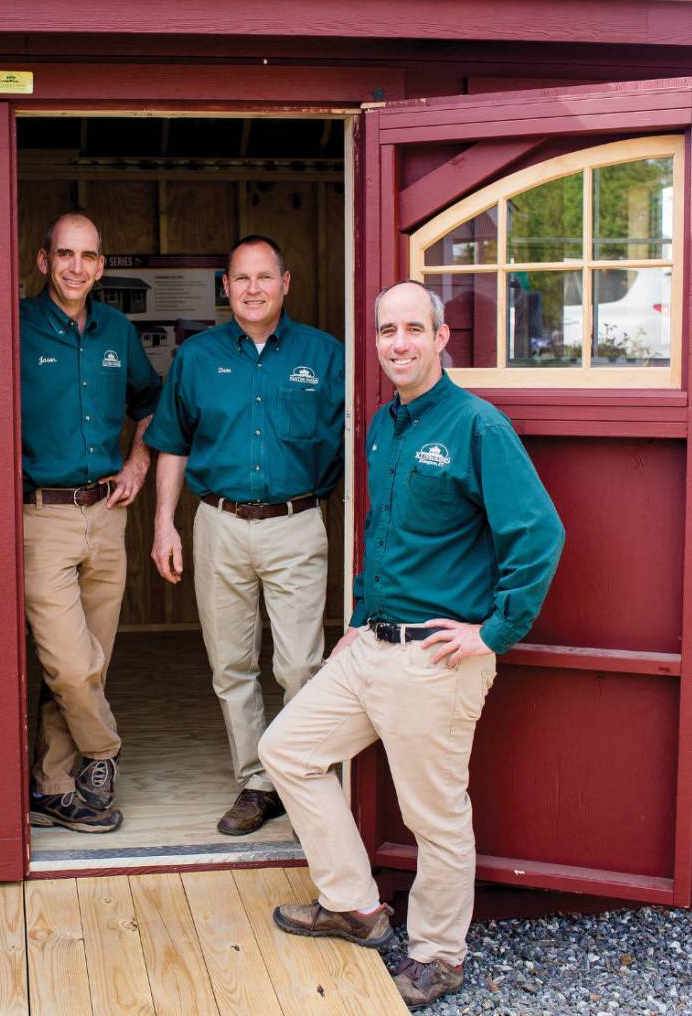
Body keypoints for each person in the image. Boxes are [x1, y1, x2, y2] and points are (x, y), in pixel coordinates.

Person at [258, 280, 565, 1009]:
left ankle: (439, 954)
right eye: (386, 331)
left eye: (413, 329)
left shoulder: (477, 426)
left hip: (436, 657)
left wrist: (494, 632)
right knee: (287, 751)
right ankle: (355, 906)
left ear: (441, 337)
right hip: (372, 645)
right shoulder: (382, 425)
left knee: (435, 816)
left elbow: (539, 534)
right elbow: (382, 531)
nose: (398, 343)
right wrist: (359, 617)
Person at [145, 234, 344, 836]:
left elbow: (355, 441)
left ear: (286, 283)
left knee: (300, 666)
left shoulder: (325, 355)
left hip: (296, 524)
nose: (253, 289)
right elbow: (172, 444)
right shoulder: (197, 357)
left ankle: (302, 778)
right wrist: (164, 525)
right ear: (225, 287)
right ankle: (257, 783)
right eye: (241, 278)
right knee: (231, 665)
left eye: (264, 277)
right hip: (219, 525)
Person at [20, 212, 161, 833]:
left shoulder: (118, 333)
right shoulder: (13, 327)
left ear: (101, 266)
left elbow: (150, 404)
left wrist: (137, 462)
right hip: (40, 515)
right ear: (44, 260)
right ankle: (104, 752)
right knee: (70, 663)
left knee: (88, 664)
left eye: (88, 256)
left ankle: (53, 787)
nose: (77, 267)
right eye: (65, 254)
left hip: (107, 514)